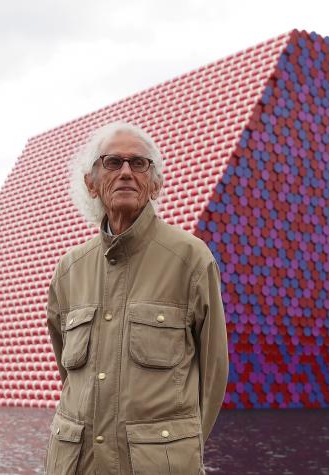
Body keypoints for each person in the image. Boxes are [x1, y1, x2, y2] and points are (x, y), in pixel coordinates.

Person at [44, 121, 229, 474]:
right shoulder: (69, 270)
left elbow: (214, 371)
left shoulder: (190, 259)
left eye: (139, 163)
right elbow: (68, 375)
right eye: (113, 163)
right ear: (92, 183)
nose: (126, 172)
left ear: (155, 184)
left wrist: (179, 450)